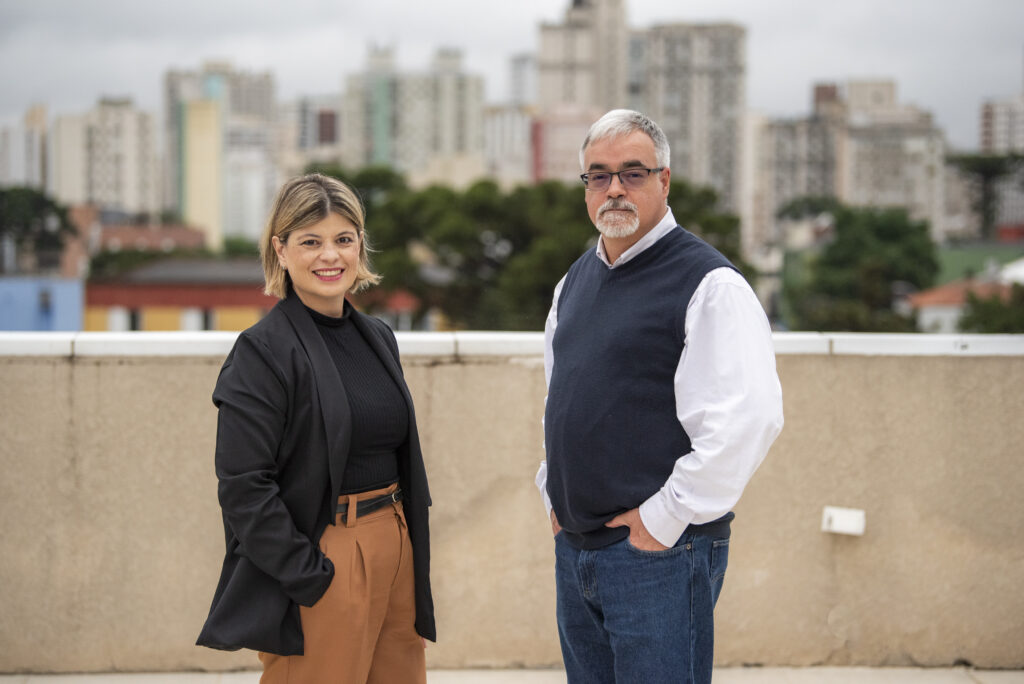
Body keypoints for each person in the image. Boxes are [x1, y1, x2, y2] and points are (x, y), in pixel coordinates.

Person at [535, 109, 784, 683]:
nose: (614, 189)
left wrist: (661, 521)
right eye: (599, 175)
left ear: (664, 181)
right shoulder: (573, 282)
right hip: (577, 550)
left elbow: (749, 420)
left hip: (660, 557)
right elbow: (562, 399)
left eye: (633, 173)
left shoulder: (710, 284)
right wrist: (554, 495)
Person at [197, 173, 434, 683]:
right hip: (327, 556)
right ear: (280, 250)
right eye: (310, 242)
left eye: (343, 239)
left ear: (360, 246)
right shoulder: (262, 352)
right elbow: (243, 486)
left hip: (395, 548)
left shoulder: (377, 337)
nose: (330, 255)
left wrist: (406, 561)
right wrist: (309, 576)